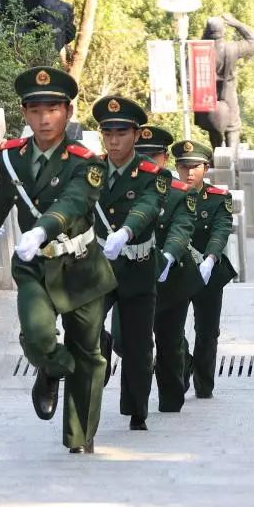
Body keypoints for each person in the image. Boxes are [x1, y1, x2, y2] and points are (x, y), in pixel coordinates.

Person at [0, 67, 116, 454]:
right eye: (35, 109)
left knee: (89, 351)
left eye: (53, 109)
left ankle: (80, 437)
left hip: (80, 267)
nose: (44, 118)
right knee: (38, 336)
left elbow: (73, 202)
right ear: (24, 113)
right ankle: (54, 367)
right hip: (34, 266)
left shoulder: (86, 162)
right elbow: (7, 192)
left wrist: (41, 229)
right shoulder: (10, 156)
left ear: (68, 112)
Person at [91, 96, 166, 432]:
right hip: (99, 266)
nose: (114, 140)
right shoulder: (90, 169)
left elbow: (148, 206)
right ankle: (100, 347)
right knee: (85, 327)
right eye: (107, 133)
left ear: (136, 135)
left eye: (121, 133)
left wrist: (126, 230)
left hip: (137, 265)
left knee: (138, 344)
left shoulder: (152, 174)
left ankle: (137, 410)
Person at [133, 126, 197, 413]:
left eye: (153, 156)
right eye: (141, 155)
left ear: (164, 157)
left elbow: (181, 229)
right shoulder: (123, 189)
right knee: (128, 343)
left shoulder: (179, 193)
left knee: (169, 343)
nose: (147, 162)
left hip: (171, 277)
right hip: (134, 277)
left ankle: (170, 400)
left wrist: (168, 256)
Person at [172, 140, 237, 399]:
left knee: (207, 331)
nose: (189, 172)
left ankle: (204, 383)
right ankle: (184, 362)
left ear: (206, 168)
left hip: (208, 273)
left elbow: (221, 230)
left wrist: (210, 258)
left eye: (195, 166)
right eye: (184, 166)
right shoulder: (168, 195)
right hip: (176, 272)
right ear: (176, 167)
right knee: (171, 329)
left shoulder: (219, 199)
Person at [194, 14, 254, 148]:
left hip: (207, 94)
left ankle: (218, 155)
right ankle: (232, 158)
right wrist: (237, 24)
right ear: (223, 31)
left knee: (213, 126)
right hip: (228, 92)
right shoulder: (232, 48)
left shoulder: (200, 49)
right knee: (232, 126)